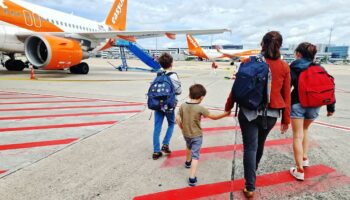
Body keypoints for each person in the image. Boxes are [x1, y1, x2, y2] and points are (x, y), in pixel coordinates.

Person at [224, 31, 291, 198]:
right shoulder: (284, 66)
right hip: (271, 113)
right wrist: (286, 119)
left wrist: (229, 105)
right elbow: (286, 95)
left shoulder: (250, 61)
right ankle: (253, 172)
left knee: (250, 148)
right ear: (280, 46)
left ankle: (250, 186)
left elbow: (238, 86)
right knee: (259, 144)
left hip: (248, 111)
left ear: (262, 43)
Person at [289, 42, 335, 180]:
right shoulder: (320, 67)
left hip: (298, 103)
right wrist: (330, 107)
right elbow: (329, 87)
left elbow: (287, 87)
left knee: (297, 135)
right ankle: (304, 158)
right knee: (305, 130)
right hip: (315, 104)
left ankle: (299, 170)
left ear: (298, 54)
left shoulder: (294, 66)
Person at [176, 84, 230, 186]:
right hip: (196, 135)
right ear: (201, 98)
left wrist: (182, 128)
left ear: (189, 94)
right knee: (195, 155)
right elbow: (213, 117)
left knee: (188, 146)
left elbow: (178, 118)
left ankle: (187, 162)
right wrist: (225, 114)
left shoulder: (183, 105)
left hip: (186, 134)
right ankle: (192, 178)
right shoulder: (200, 108)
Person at [152, 53, 182, 160]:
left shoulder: (158, 74)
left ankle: (156, 152)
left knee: (157, 127)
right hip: (169, 105)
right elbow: (179, 91)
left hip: (157, 104)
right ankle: (165, 144)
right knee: (171, 124)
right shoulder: (173, 75)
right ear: (171, 63)